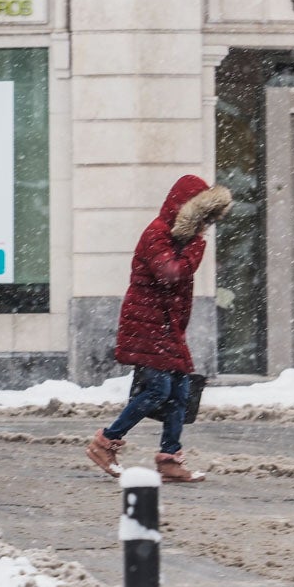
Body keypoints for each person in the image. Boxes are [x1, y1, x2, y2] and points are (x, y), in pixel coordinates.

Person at [85, 175, 233, 483]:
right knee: (157, 391)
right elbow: (170, 274)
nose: (204, 226)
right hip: (146, 325)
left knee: (181, 392)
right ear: (186, 210)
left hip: (167, 327)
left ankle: (169, 459)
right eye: (201, 217)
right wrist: (196, 246)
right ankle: (105, 442)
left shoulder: (179, 239)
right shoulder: (157, 234)